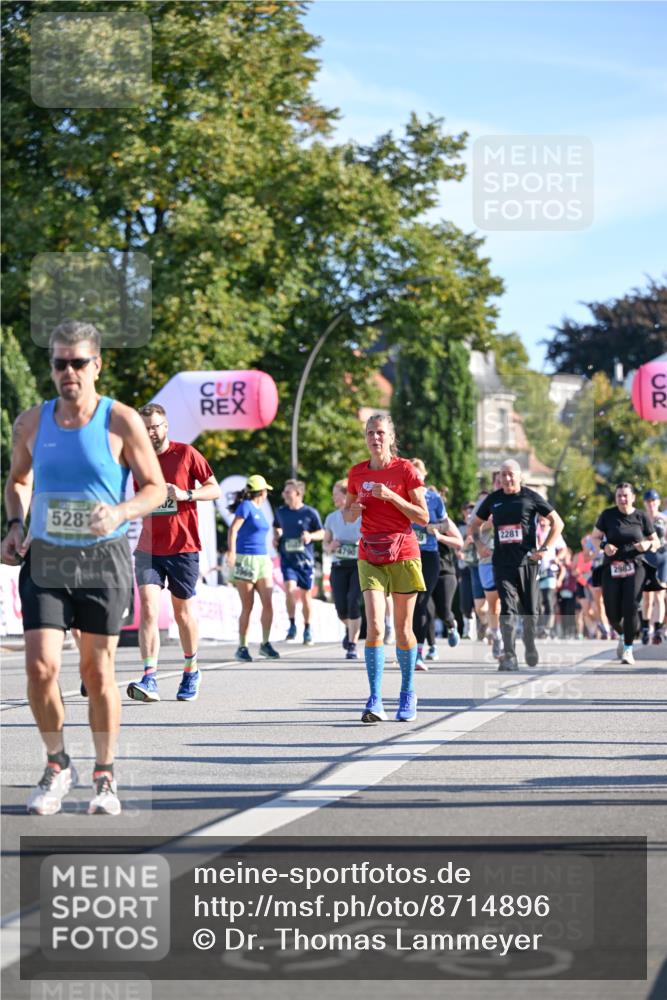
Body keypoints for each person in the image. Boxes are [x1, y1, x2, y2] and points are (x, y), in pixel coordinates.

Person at [1, 321, 166, 816]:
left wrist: (119, 513)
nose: (68, 371)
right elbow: (19, 480)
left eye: (77, 362)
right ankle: (57, 764)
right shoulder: (32, 422)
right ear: (52, 367)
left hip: (102, 559)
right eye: (60, 363)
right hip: (47, 556)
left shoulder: (121, 421)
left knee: (97, 672)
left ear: (96, 365)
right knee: (40, 667)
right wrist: (15, 524)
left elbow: (155, 487)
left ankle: (104, 773)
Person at [127, 403, 220, 703]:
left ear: (165, 426)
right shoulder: (139, 461)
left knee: (182, 613)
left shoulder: (186, 453)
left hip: (183, 546)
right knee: (149, 609)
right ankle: (149, 677)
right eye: (145, 428)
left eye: (155, 426)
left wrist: (185, 494)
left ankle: (191, 670)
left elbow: (214, 488)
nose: (151, 432)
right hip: (149, 547)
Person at [344, 413, 428, 723]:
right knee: (376, 626)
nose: (375, 438)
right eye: (370, 433)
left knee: (404, 631)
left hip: (403, 553)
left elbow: (423, 517)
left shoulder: (405, 470)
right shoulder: (357, 473)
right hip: (370, 553)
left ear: (391, 437)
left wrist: (392, 497)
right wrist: (353, 510)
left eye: (380, 432)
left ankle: (407, 693)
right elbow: (347, 515)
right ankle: (375, 698)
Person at [470, 459, 564, 671]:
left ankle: (529, 644)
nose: (507, 478)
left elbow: (558, 523)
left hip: (527, 563)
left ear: (520, 476)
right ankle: (510, 656)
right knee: (508, 609)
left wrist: (544, 549)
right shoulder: (494, 499)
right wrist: (479, 545)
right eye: (503, 474)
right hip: (502, 563)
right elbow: (474, 524)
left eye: (511, 474)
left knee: (531, 611)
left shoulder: (531, 497)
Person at [592, 482, 658, 665]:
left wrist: (647, 544)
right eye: (619, 495)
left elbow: (656, 541)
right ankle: (622, 633)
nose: (622, 499)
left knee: (631, 605)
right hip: (612, 566)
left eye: (626, 495)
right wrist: (604, 546)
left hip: (635, 566)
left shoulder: (641, 516)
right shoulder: (607, 515)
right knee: (611, 612)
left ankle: (628, 648)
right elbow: (594, 537)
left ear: (633, 498)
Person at [226, 475, 280, 662]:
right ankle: (242, 647)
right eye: (266, 491)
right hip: (246, 559)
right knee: (248, 606)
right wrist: (231, 552)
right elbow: (233, 529)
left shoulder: (258, 509)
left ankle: (265, 643)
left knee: (268, 604)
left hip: (263, 560)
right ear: (262, 492)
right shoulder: (246, 506)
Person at [410, 459, 450, 670]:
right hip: (406, 556)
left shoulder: (434, 499)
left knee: (421, 602)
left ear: (424, 476)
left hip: (428, 555)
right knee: (406, 603)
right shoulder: (401, 496)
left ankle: (418, 653)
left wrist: (435, 527)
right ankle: (405, 648)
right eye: (411, 474)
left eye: (418, 474)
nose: (415, 477)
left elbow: (446, 524)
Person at [274, 479, 324, 645]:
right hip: (288, 559)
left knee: (305, 595)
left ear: (298, 494)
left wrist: (310, 536)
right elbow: (277, 526)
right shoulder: (281, 511)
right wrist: (276, 536)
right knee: (289, 589)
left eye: (288, 492)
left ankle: (307, 628)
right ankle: (292, 625)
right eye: (284, 491)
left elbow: (322, 533)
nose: (284, 494)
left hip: (305, 561)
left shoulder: (310, 512)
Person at [323, 479, 362, 660]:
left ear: (347, 495)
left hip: (358, 565)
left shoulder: (361, 515)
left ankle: (352, 645)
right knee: (340, 608)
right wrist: (331, 545)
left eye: (336, 494)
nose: (333, 497)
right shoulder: (331, 518)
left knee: (353, 601)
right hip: (339, 565)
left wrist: (361, 543)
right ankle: (350, 627)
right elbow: (325, 545)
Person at [424, 499, 464, 660]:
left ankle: (451, 624)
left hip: (444, 571)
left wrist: (439, 536)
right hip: (423, 571)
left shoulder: (444, 522)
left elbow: (459, 542)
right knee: (426, 610)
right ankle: (432, 647)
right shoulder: (414, 520)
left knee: (443, 610)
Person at [641, 488, 666, 645]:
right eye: (648, 501)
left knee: (659, 595)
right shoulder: (641, 519)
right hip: (647, 558)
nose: (651, 504)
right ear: (645, 503)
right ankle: (645, 628)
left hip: (662, 557)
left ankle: (658, 628)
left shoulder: (664, 519)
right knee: (647, 597)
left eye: (653, 501)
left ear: (658, 502)